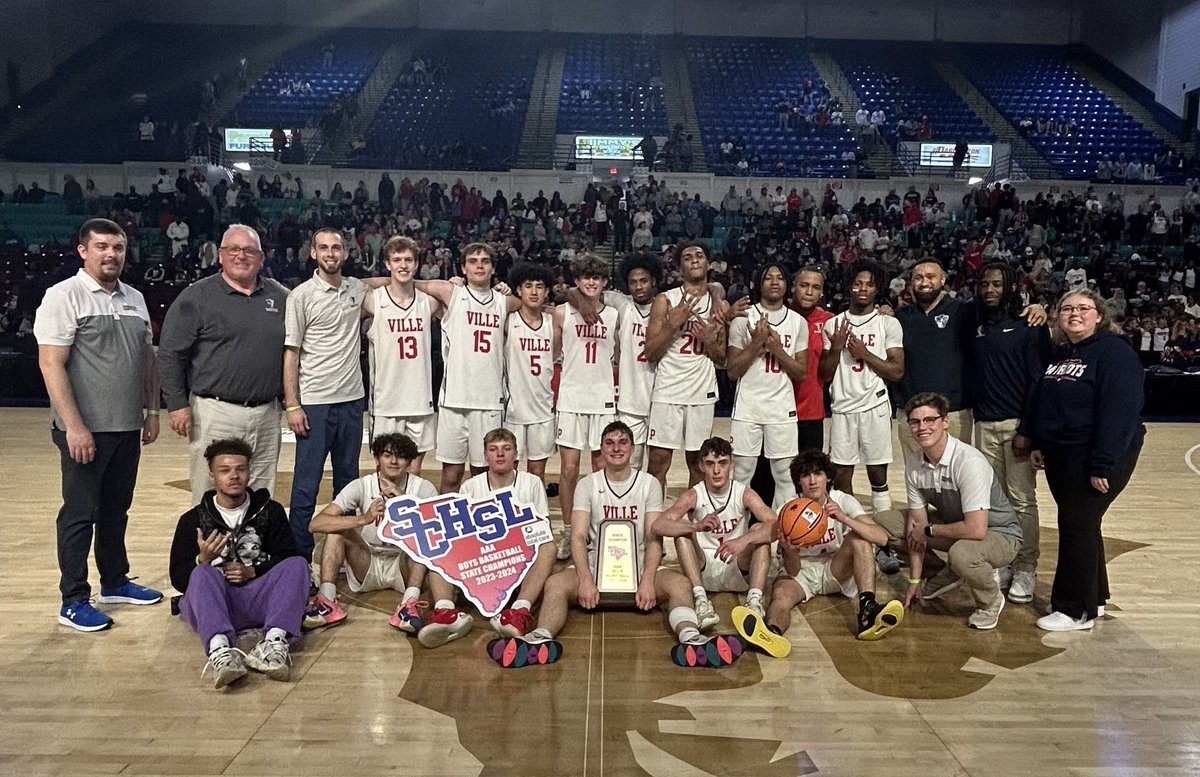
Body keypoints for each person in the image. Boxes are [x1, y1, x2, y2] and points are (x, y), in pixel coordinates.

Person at [492, 422, 742, 668]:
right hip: (595, 565)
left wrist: (647, 580)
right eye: (609, 443)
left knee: (680, 584)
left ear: (632, 448)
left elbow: (655, 535)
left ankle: (691, 639)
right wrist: (586, 579)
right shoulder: (588, 484)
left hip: (641, 563)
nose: (616, 448)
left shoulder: (648, 484)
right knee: (555, 584)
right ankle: (540, 639)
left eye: (622, 442)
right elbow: (578, 537)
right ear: (601, 449)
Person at [35, 217, 163, 631]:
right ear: (83, 250)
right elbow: (50, 363)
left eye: (119, 248)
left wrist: (152, 410)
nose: (112, 254)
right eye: (103, 246)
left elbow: (146, 360)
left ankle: (115, 581)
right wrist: (74, 426)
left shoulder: (136, 298)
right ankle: (73, 599)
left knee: (115, 511)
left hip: (126, 427)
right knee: (79, 513)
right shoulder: (64, 296)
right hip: (84, 431)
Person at [1026, 290, 1144, 631]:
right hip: (1062, 454)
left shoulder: (1114, 353)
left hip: (1094, 455)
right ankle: (1096, 597)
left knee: (1076, 525)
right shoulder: (1065, 353)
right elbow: (1050, 402)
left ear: (1099, 315)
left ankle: (1074, 609)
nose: (1074, 314)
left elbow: (1119, 413)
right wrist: (1040, 441)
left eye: (1083, 308)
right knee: (1084, 524)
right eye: (1067, 309)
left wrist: (1103, 464)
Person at [158, 224, 289, 505]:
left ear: (261, 258)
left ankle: (253, 549)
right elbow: (170, 354)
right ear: (220, 255)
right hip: (214, 413)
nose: (241, 256)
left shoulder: (280, 297)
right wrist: (177, 405)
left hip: (267, 414)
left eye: (249, 250)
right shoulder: (197, 297)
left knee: (261, 495)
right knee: (210, 494)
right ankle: (210, 549)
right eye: (234, 249)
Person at [168, 438, 309, 688]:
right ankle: (221, 651)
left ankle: (274, 643)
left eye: (240, 469)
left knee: (298, 564)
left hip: (257, 600)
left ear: (249, 473)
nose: (234, 476)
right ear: (212, 475)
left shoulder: (270, 511)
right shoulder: (192, 520)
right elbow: (178, 579)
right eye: (225, 470)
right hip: (213, 603)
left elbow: (287, 556)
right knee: (202, 574)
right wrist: (204, 559)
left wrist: (253, 571)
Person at [878, 393, 1022, 631]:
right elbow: (916, 528)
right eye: (915, 422)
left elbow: (976, 529)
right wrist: (914, 579)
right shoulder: (915, 464)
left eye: (929, 420)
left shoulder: (969, 461)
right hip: (957, 526)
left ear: (945, 422)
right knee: (886, 522)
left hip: (1000, 533)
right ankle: (941, 574)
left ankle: (990, 601)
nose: (921, 427)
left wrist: (929, 530)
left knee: (962, 553)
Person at [740, 450, 904, 656]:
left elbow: (881, 538)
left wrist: (845, 519)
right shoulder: (788, 510)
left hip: (835, 568)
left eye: (817, 474)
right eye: (806, 475)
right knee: (780, 598)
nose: (812, 481)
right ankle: (771, 633)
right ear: (799, 482)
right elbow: (791, 568)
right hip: (802, 572)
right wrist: (790, 552)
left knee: (860, 539)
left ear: (828, 477)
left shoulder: (843, 501)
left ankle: (867, 610)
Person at [283, 228, 366, 562]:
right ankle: (297, 557)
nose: (331, 253)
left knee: (348, 485)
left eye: (337, 248)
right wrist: (292, 405)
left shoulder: (356, 288)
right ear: (313, 253)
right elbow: (291, 353)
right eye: (324, 248)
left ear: (345, 253)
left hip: (351, 401)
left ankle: (343, 553)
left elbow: (390, 283)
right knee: (306, 486)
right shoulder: (301, 296)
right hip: (314, 403)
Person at [971, 263, 1052, 604]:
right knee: (996, 501)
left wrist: (1028, 429)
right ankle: (1004, 559)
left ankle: (1027, 567)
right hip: (983, 424)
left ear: (1009, 287)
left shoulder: (1027, 325)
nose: (990, 289)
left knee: (1022, 500)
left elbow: (1039, 381)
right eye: (985, 283)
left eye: (997, 284)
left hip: (1016, 426)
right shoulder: (975, 324)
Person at [415, 243, 521, 494]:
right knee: (451, 476)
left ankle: (485, 528)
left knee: (484, 475)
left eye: (485, 261)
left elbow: (532, 304)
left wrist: (505, 289)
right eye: (473, 261)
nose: (479, 265)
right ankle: (449, 528)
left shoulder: (504, 302)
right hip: (454, 399)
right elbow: (406, 282)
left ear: (493, 268)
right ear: (463, 267)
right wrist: (351, 283)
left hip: (489, 400)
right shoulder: (451, 292)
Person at [304, 433, 435, 633]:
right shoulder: (361, 485)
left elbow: (438, 531)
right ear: (377, 459)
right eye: (387, 455)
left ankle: (408, 607)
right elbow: (316, 524)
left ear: (409, 462)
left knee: (424, 540)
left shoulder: (423, 488)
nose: (393, 461)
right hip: (367, 561)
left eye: (400, 456)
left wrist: (406, 502)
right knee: (336, 529)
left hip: (403, 564)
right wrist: (363, 519)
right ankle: (327, 601)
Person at [653, 437, 777, 633]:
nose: (717, 470)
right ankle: (700, 600)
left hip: (737, 566)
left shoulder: (743, 493)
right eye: (710, 464)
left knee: (758, 534)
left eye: (722, 463)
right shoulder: (694, 495)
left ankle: (754, 602)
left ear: (731, 464)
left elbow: (777, 525)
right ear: (701, 466)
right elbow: (658, 525)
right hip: (702, 571)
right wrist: (697, 527)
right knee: (682, 529)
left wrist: (743, 540)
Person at [818, 260, 904, 514]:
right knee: (842, 475)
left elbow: (897, 371)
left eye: (870, 284)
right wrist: (836, 348)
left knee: (878, 474)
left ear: (877, 289)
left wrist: (864, 353)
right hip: (843, 407)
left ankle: (884, 532)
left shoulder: (888, 323)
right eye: (858, 283)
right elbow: (824, 373)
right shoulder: (832, 325)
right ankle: (852, 528)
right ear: (849, 287)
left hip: (874, 405)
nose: (863, 289)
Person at [644, 240, 729, 491]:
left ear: (708, 263)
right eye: (688, 257)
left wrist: (708, 340)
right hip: (668, 390)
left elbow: (721, 358)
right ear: (680, 267)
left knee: (698, 465)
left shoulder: (718, 305)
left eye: (699, 256)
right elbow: (650, 352)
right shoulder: (665, 300)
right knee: (658, 464)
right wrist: (673, 325)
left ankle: (692, 528)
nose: (694, 260)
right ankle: (654, 524)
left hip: (701, 392)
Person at [460, 428, 555, 638]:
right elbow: (462, 541)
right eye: (493, 450)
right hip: (484, 562)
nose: (500, 454)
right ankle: (445, 611)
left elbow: (543, 529)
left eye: (506, 449)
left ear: (516, 454)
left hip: (522, 559)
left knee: (549, 547)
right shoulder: (470, 487)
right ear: (485, 456)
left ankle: (519, 610)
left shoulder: (531, 483)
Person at [726, 264, 807, 509]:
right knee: (741, 474)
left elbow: (801, 373)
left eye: (780, 277)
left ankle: (785, 537)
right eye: (768, 277)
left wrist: (776, 349)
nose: (774, 282)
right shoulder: (743, 320)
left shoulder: (797, 322)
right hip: (748, 406)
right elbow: (733, 370)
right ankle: (738, 535)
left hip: (781, 407)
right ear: (759, 283)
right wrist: (756, 344)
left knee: (785, 475)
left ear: (786, 284)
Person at [554, 254, 619, 559]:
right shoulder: (562, 312)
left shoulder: (617, 313)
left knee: (599, 468)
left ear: (605, 281)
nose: (591, 282)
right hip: (571, 397)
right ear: (577, 281)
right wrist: (576, 299)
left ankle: (596, 527)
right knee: (568, 469)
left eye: (596, 277)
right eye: (585, 278)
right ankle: (569, 529)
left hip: (603, 397)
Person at [364, 236, 443, 470]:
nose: (403, 265)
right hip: (386, 400)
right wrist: (388, 281)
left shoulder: (428, 302)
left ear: (417, 264)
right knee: (387, 469)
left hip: (419, 397)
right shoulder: (374, 300)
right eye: (396, 260)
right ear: (387, 264)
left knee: (415, 472)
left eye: (408, 260)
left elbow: (455, 293)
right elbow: (351, 283)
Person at [502, 263, 557, 483]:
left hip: (542, 409)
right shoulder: (508, 320)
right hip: (513, 409)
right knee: (508, 470)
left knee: (537, 473)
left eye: (539, 286)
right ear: (518, 290)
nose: (534, 292)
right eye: (528, 286)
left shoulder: (554, 323)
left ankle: (535, 514)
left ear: (547, 291)